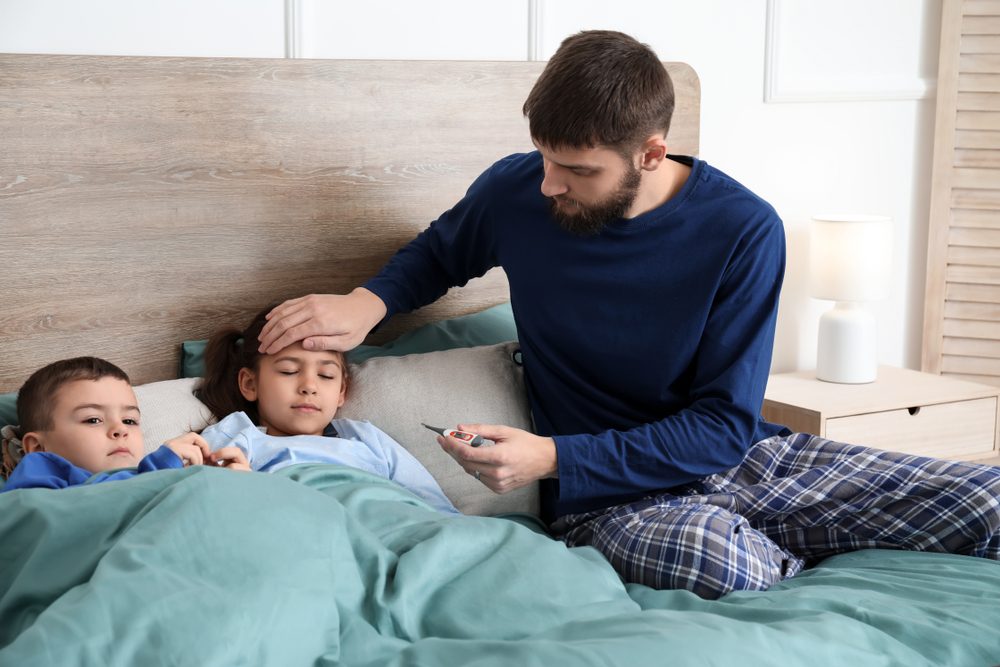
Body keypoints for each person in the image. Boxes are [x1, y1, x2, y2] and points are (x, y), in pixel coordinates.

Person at [255, 30, 1000, 598]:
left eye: (577, 169)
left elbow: (721, 427)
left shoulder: (744, 230)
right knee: (728, 561)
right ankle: (804, 560)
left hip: (739, 462)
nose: (548, 183)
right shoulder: (517, 191)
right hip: (603, 501)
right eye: (542, 156)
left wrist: (548, 454)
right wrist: (366, 301)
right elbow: (438, 255)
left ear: (650, 152)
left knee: (986, 497)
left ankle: (803, 536)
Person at [197, 307, 460, 515]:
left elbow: (436, 510)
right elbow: (185, 495)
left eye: (326, 375)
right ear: (250, 383)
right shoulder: (240, 436)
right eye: (289, 371)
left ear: (342, 391)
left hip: (389, 524)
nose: (309, 386)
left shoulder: (366, 437)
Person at [1, 357, 248, 492]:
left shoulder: (146, 476)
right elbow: (74, 517)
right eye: (93, 419)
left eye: (130, 420)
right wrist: (157, 472)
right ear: (37, 447)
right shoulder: (37, 473)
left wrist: (217, 486)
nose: (120, 430)